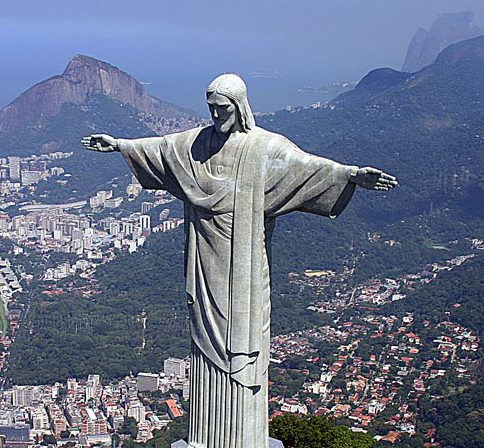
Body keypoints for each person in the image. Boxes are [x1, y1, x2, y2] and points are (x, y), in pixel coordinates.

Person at [82, 73, 397, 448]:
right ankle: (205, 439)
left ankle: (244, 437)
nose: (216, 115)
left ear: (240, 106)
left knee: (244, 340)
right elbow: (163, 149)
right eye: (212, 108)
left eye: (223, 109)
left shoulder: (264, 147)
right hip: (204, 263)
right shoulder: (197, 144)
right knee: (204, 337)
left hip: (244, 266)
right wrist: (119, 145)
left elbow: (308, 167)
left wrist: (351, 175)